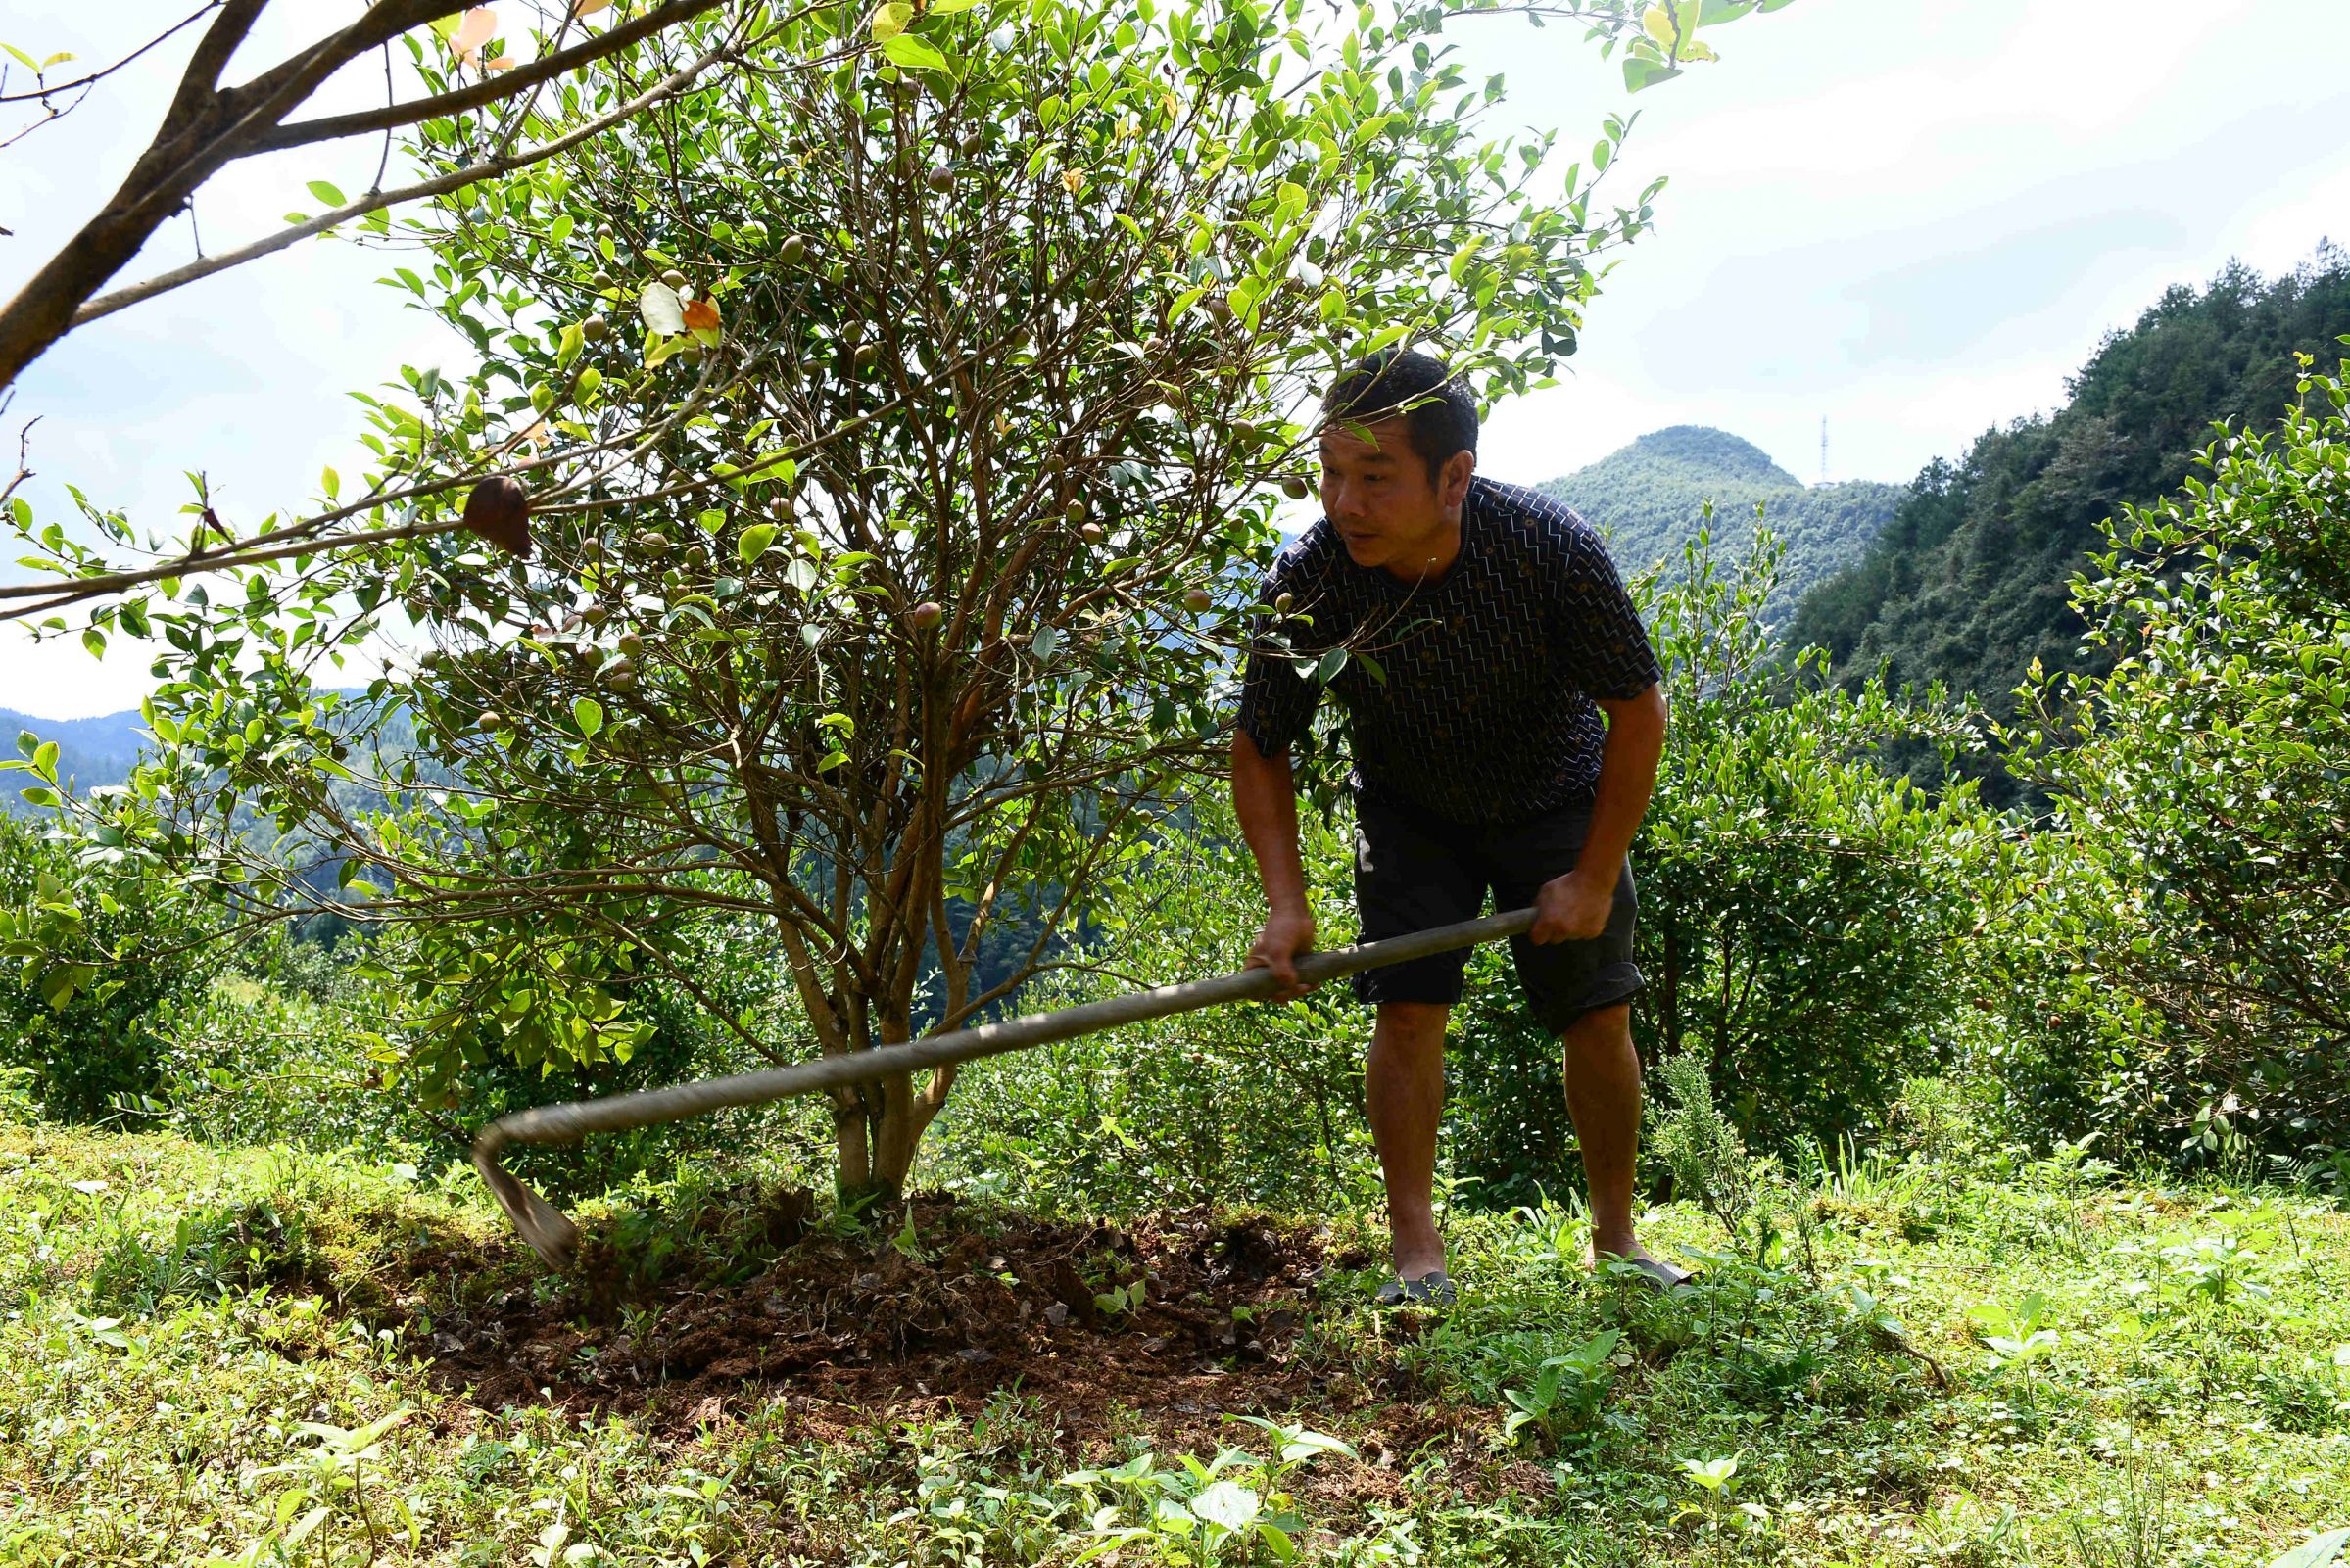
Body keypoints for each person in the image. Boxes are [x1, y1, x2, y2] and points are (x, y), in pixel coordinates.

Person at [1229, 348, 1680, 1304]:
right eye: (1330, 474)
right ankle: (1415, 1257)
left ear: (1453, 478)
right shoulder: (1312, 576)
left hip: (1552, 794)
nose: (1344, 502)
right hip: (1408, 806)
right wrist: (1284, 904)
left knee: (1596, 1013)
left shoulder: (1547, 548)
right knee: (1407, 1008)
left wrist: (1593, 876)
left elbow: (1637, 713)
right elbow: (1259, 742)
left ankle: (1616, 1241)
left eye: (1374, 478)